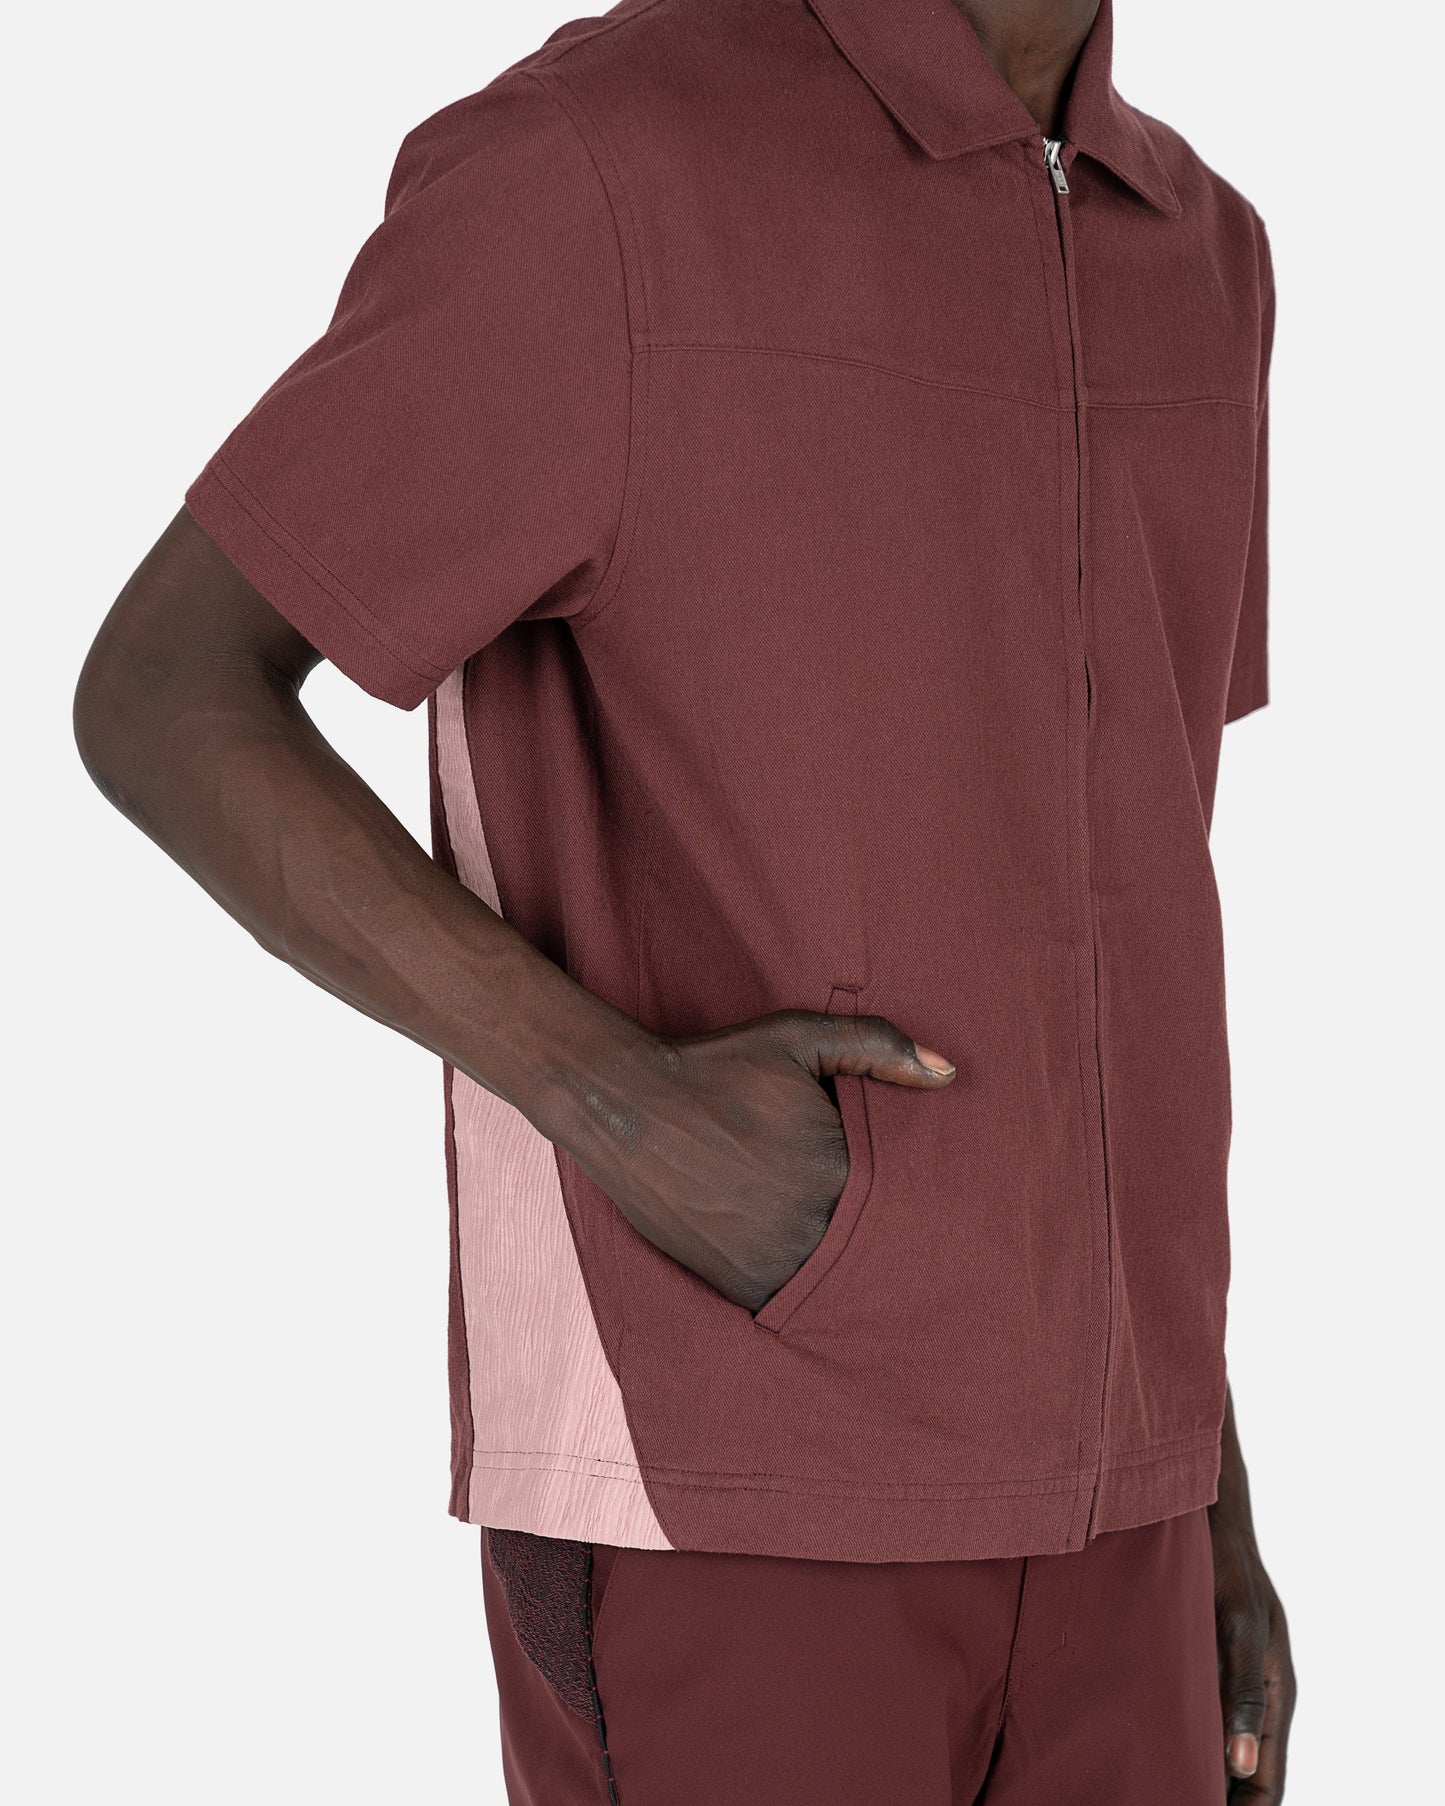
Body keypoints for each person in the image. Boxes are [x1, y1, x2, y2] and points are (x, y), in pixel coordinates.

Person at [74, 0, 1297, 1798]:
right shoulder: (598, 170)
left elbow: (1111, 911)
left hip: (1131, 1514)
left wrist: (1210, 1490)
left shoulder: (1198, 253)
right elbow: (164, 692)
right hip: (726, 1464)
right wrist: (617, 1100)